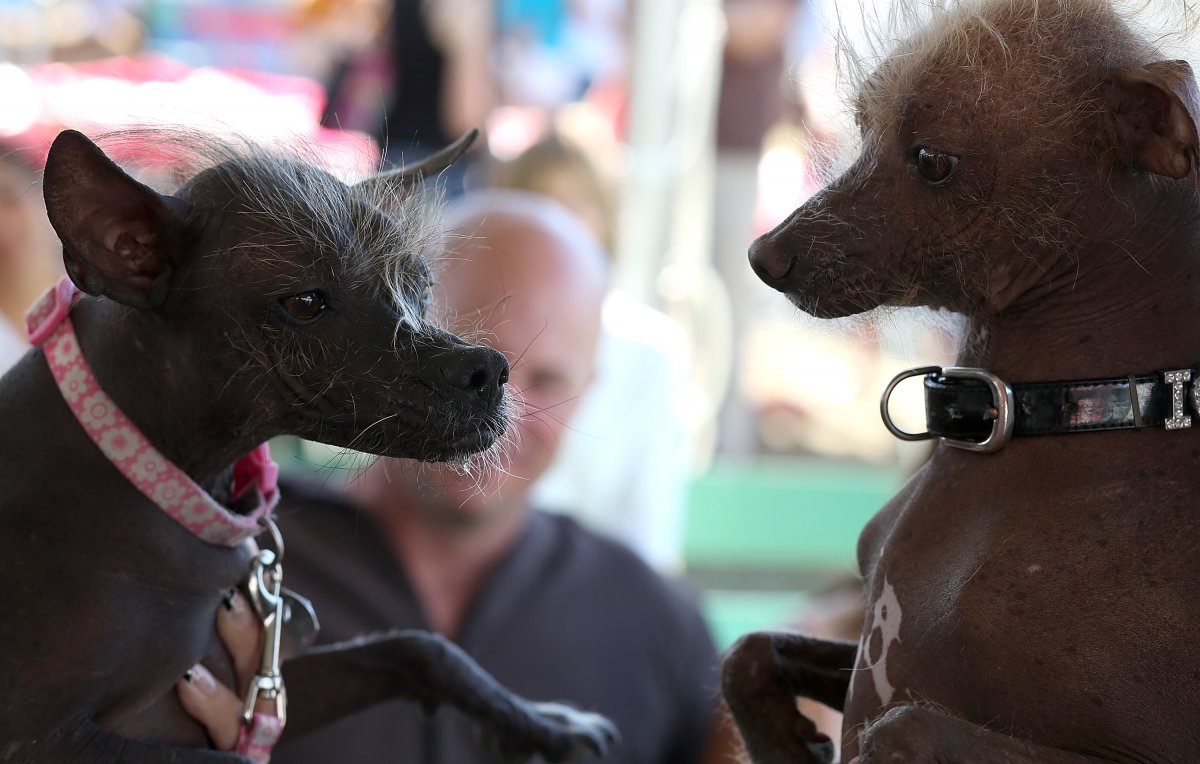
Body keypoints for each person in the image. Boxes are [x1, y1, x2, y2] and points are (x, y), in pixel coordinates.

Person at [269, 190, 728, 763]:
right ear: (391, 341)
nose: (502, 415)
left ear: (590, 389)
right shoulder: (244, 558)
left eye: (549, 381)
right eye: (472, 364)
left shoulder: (649, 622)